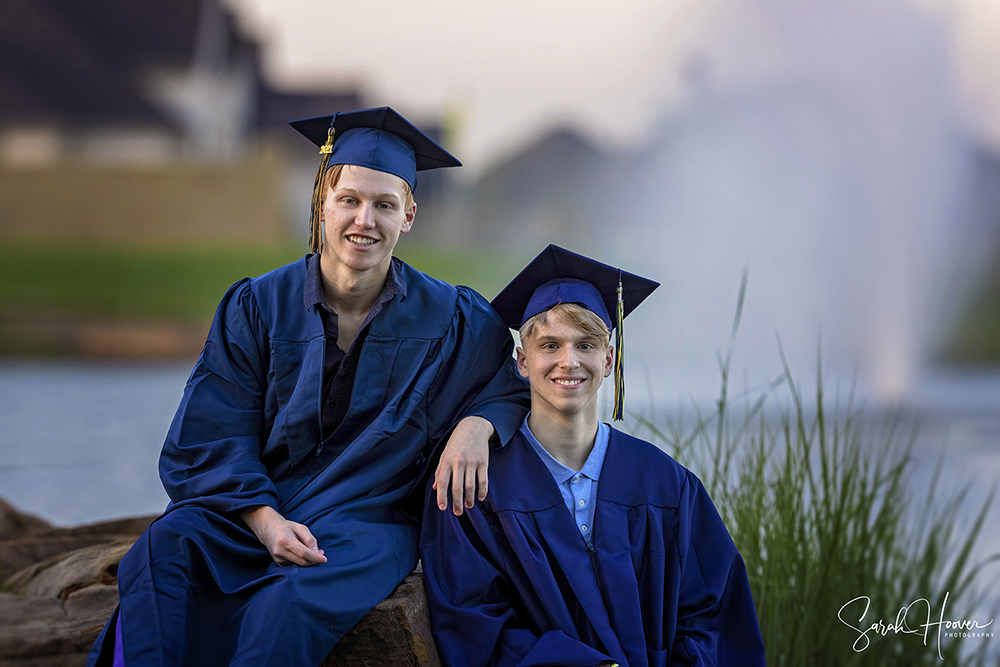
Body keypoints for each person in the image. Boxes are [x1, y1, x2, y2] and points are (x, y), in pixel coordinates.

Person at [86, 107, 530, 666]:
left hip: (363, 520)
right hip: (246, 507)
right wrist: (264, 520)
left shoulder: (452, 316)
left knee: (288, 605)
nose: (363, 220)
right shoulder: (257, 305)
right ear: (323, 201)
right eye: (350, 199)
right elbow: (211, 428)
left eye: (384, 205)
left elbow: (511, 383)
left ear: (409, 216)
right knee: (163, 551)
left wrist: (477, 424)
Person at [420, 244, 766, 667]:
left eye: (585, 345)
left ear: (609, 360)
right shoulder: (479, 487)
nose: (569, 361)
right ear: (522, 361)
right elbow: (474, 625)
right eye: (550, 345)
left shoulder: (665, 484)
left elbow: (711, 617)